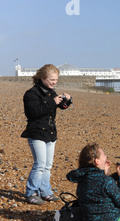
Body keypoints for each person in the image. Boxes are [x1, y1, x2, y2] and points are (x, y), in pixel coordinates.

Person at [21, 64, 73, 205]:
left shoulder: (52, 92)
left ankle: (45, 192)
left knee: (48, 165)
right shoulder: (31, 94)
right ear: (42, 78)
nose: (54, 82)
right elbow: (33, 113)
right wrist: (52, 102)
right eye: (51, 80)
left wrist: (67, 101)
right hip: (36, 133)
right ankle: (31, 193)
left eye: (56, 80)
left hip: (50, 133)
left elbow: (61, 107)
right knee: (40, 164)